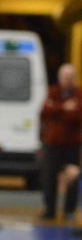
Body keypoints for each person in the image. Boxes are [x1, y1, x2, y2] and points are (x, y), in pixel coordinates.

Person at [38, 63, 82, 220]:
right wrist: (64, 107)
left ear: (74, 78)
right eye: (64, 77)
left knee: (72, 177)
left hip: (72, 144)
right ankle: (49, 209)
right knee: (49, 176)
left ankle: (69, 210)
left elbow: (77, 115)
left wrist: (56, 110)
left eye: (70, 77)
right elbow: (44, 112)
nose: (67, 80)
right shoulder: (53, 91)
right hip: (52, 143)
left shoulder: (79, 94)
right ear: (59, 78)